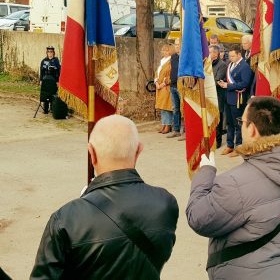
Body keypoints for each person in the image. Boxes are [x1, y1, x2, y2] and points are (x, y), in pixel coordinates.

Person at [30, 115, 179, 280]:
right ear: (138, 150)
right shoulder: (166, 203)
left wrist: (83, 205)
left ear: (91, 153)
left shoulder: (65, 219)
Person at [186, 96, 280, 280]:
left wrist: (205, 173)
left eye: (242, 121)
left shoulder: (235, 182)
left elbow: (198, 218)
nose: (240, 125)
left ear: (253, 130)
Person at [218, 45, 253, 157]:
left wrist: (228, 85)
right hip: (228, 97)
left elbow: (245, 84)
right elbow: (228, 79)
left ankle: (238, 146)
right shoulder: (230, 64)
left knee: (238, 124)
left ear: (239, 55)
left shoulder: (245, 67)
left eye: (233, 56)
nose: (230, 58)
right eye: (230, 56)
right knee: (229, 123)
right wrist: (223, 82)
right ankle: (229, 145)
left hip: (238, 98)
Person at [209, 45, 227, 148]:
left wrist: (205, 83)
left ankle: (218, 141)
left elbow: (218, 80)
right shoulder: (206, 63)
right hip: (208, 96)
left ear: (216, 53)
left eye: (210, 52)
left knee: (217, 120)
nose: (208, 54)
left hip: (217, 96)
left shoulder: (222, 65)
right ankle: (210, 139)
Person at [167, 38, 185, 140]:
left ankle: (186, 131)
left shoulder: (185, 57)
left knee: (184, 110)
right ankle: (176, 130)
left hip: (182, 87)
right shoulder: (173, 57)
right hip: (173, 85)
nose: (177, 46)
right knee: (175, 109)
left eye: (179, 44)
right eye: (176, 44)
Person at [154, 44, 173, 134]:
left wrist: (163, 84)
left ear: (170, 51)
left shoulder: (170, 61)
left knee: (166, 106)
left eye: (167, 50)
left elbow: (170, 75)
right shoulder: (162, 61)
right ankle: (164, 123)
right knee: (162, 107)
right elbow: (157, 73)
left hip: (166, 87)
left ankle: (168, 125)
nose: (165, 52)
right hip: (159, 87)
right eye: (163, 50)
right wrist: (156, 82)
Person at [39, 46, 61, 114]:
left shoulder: (56, 61)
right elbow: (41, 71)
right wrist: (41, 80)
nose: (50, 53)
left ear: (53, 53)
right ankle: (45, 109)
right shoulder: (44, 61)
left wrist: (58, 81)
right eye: (48, 52)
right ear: (47, 53)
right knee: (46, 94)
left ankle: (52, 108)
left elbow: (59, 71)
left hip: (53, 80)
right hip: (45, 81)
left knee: (53, 94)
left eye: (51, 52)